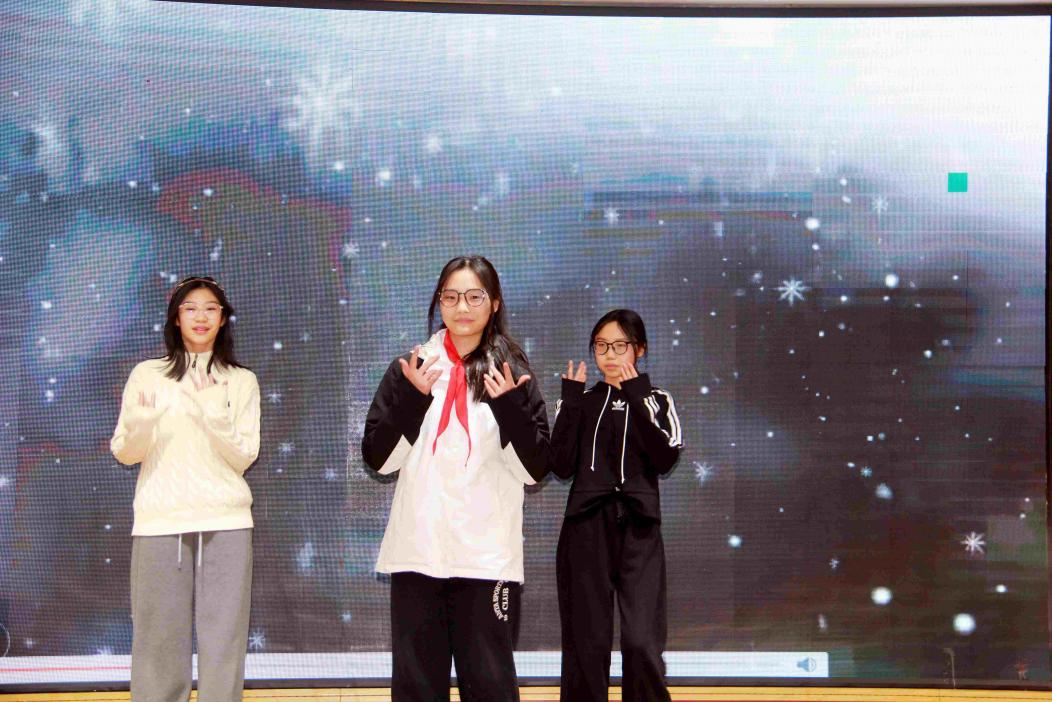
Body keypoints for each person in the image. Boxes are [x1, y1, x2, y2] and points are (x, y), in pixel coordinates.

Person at [362, 255, 550, 702]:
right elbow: (380, 461)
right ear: (438, 302)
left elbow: (534, 469)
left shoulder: (512, 373)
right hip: (418, 553)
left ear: (494, 303)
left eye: (474, 296)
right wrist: (412, 399)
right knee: (416, 689)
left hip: (486, 559)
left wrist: (510, 408)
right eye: (451, 296)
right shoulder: (412, 368)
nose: (462, 307)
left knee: (490, 687)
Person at [111, 275, 261, 702]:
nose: (201, 316)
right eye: (190, 308)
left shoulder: (241, 380)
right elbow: (125, 452)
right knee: (158, 639)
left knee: (224, 639)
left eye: (211, 308)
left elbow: (244, 456)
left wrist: (214, 413)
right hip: (161, 522)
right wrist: (142, 425)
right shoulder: (147, 375)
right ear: (176, 318)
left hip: (226, 522)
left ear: (223, 318)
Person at [551, 308, 682, 702]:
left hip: (639, 528)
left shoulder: (658, 399)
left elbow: (666, 458)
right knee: (586, 644)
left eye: (620, 345)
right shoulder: (581, 400)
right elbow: (559, 466)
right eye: (601, 346)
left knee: (642, 641)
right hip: (586, 527)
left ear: (639, 349)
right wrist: (570, 404)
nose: (609, 355)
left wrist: (638, 396)